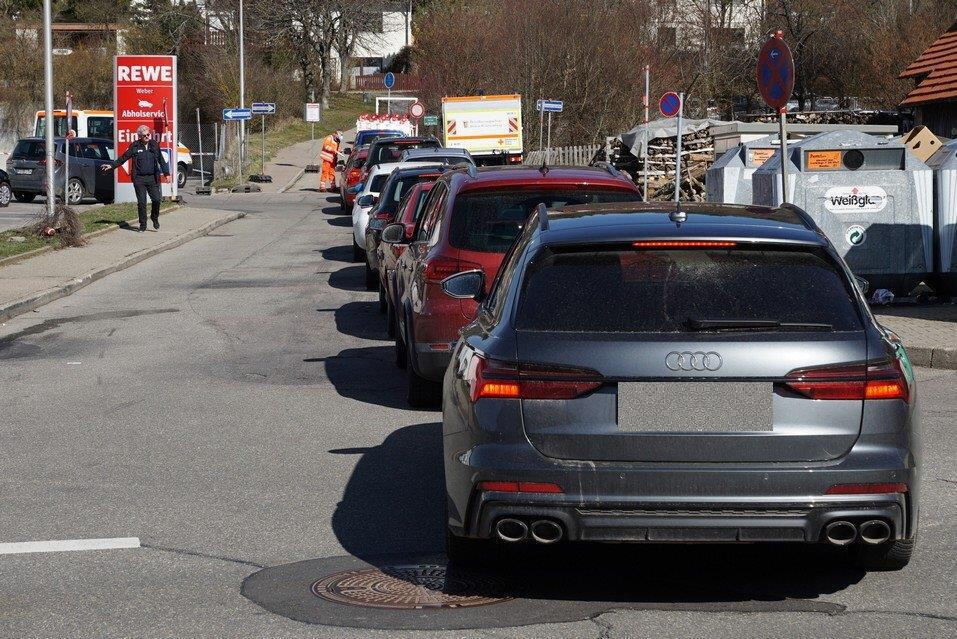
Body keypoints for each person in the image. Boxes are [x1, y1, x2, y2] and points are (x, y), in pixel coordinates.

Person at [101, 125, 170, 232]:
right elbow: (123, 158)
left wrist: (167, 173)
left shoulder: (154, 145)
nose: (147, 137)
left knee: (156, 199)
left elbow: (161, 159)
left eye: (148, 134)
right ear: (140, 136)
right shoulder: (135, 146)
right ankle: (143, 225)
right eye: (144, 135)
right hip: (139, 179)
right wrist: (112, 166)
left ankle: (154, 217)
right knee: (142, 202)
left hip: (152, 178)